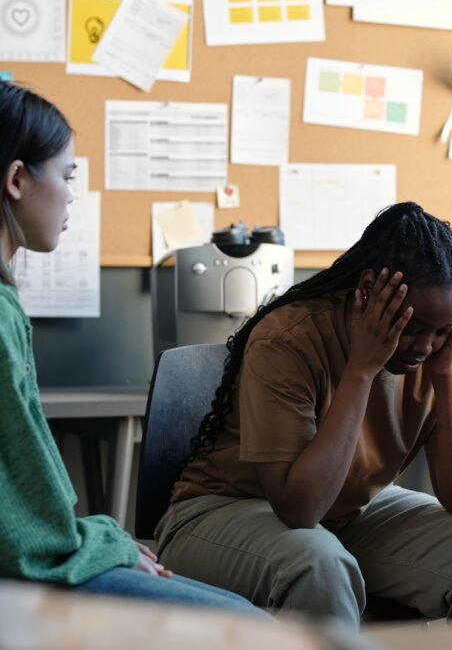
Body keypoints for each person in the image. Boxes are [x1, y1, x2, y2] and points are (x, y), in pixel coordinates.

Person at [154, 202, 452, 626]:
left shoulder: (437, 353)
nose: (426, 345)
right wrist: (362, 369)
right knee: (319, 565)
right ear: (369, 290)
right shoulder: (289, 339)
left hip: (344, 516)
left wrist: (446, 375)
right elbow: (299, 508)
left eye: (443, 331)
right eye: (411, 327)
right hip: (220, 512)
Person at [0, 82, 265, 616]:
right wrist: (107, 544)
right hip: (27, 577)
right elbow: (30, 537)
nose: (72, 194)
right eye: (67, 176)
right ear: (16, 179)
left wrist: (100, 538)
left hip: (48, 553)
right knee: (248, 622)